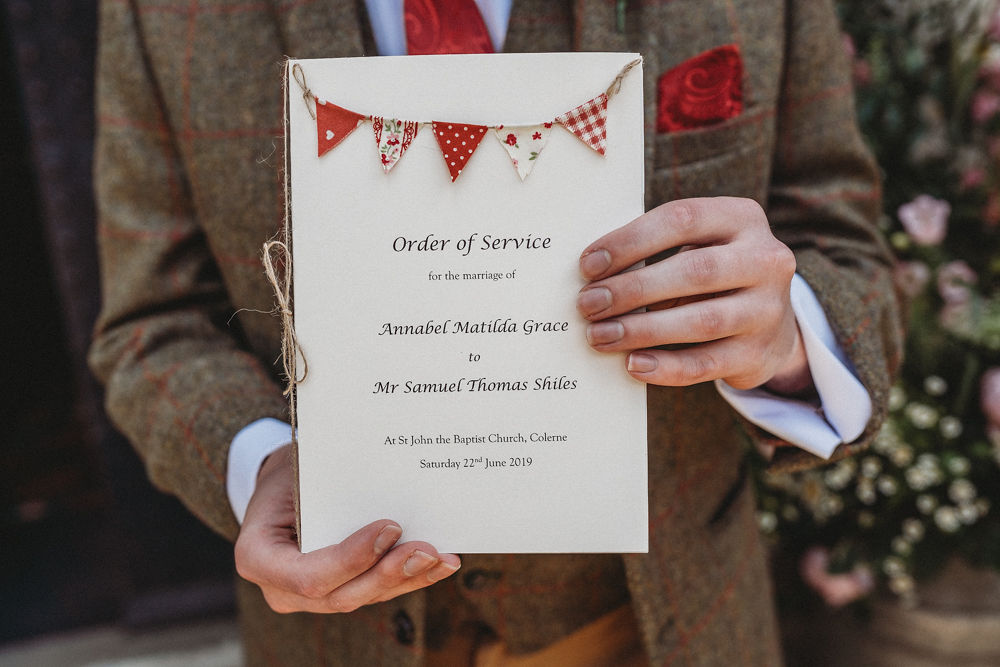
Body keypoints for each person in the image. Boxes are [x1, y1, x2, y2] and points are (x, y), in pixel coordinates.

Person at [90, 0, 901, 664]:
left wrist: (786, 334)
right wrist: (257, 460)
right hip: (332, 641)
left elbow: (842, 246)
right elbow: (151, 323)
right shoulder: (163, 14)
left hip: (670, 621)